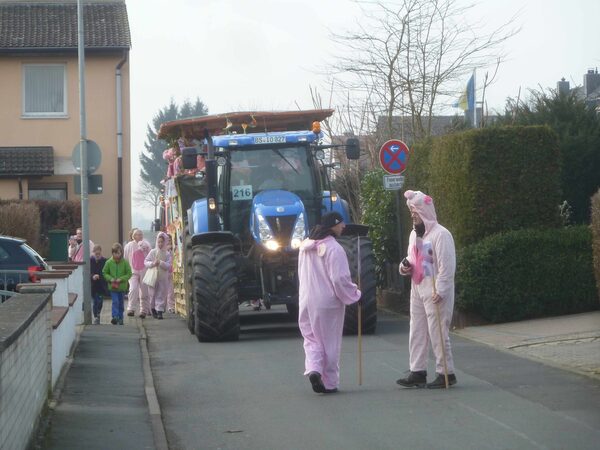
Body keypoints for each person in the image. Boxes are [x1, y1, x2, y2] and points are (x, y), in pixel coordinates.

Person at [396, 190, 457, 389]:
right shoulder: (414, 234)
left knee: (438, 331)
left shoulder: (442, 235)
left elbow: (447, 268)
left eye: (416, 213)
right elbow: (412, 259)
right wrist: (404, 267)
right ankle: (417, 370)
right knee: (417, 330)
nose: (413, 217)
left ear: (425, 212)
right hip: (418, 286)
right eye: (412, 214)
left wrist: (441, 290)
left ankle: (446, 372)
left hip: (435, 289)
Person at [298, 211, 361, 394]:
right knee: (329, 342)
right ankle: (330, 382)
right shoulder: (334, 248)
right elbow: (340, 279)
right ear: (333, 225)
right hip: (327, 302)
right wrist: (356, 295)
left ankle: (314, 370)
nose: (343, 226)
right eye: (341, 223)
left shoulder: (305, 247)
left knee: (311, 339)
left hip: (306, 300)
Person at [124, 228, 152, 318]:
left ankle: (144, 310)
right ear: (133, 236)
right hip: (133, 271)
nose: (139, 236)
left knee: (144, 291)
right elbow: (125, 259)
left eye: (141, 234)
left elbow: (151, 256)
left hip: (144, 270)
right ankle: (131, 308)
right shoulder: (128, 246)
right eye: (137, 234)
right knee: (133, 288)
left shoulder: (146, 244)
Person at [102, 243, 132, 325]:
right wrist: (110, 279)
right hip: (113, 287)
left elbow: (129, 273)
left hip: (122, 287)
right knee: (115, 302)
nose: (117, 255)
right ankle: (115, 317)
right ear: (112, 253)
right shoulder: (109, 262)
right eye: (115, 253)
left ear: (121, 253)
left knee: (121, 303)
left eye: (118, 253)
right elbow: (104, 272)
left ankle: (121, 318)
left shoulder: (125, 262)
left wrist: (121, 279)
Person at [144, 232, 173, 320]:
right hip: (153, 277)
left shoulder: (167, 253)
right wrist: (152, 263)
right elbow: (145, 261)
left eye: (162, 242)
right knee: (152, 294)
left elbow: (168, 266)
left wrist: (160, 262)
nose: (160, 244)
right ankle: (153, 309)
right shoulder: (153, 251)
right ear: (157, 242)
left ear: (165, 243)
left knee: (160, 293)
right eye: (159, 242)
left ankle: (159, 311)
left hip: (162, 277)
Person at [90, 244, 108, 325]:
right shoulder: (90, 260)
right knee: (95, 302)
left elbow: (105, 272)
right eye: (96, 254)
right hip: (93, 285)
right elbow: (88, 271)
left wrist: (100, 276)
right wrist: (92, 276)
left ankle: (98, 314)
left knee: (100, 301)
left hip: (101, 285)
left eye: (99, 254)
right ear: (93, 253)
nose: (97, 255)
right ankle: (96, 316)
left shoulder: (104, 261)